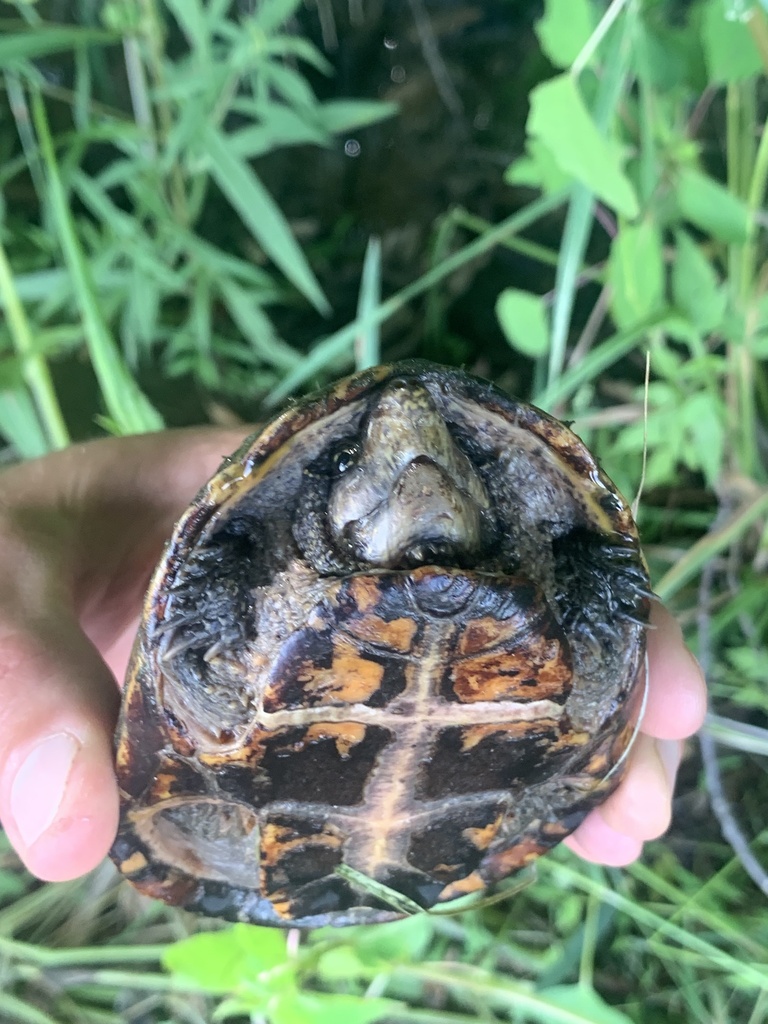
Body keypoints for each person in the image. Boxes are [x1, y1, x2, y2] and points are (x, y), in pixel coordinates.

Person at [0, 429, 708, 883]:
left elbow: (191, 636)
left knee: (200, 677)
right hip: (251, 845)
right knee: (613, 665)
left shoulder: (245, 597)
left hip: (258, 831)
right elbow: (600, 610)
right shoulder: (538, 530)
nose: (419, 485)